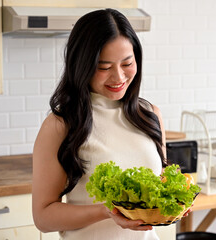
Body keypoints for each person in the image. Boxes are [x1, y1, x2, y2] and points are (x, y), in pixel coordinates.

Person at [32, 8, 168, 240]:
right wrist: (106, 211)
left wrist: (174, 204)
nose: (118, 77)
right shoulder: (60, 125)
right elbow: (43, 217)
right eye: (104, 67)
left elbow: (162, 188)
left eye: (127, 63)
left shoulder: (150, 115)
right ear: (81, 65)